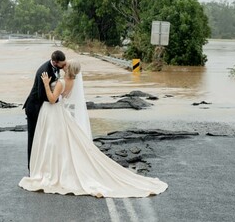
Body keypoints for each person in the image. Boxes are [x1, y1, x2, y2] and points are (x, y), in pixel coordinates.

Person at [19, 60, 168, 198]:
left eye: (66, 65)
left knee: (53, 142)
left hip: (55, 112)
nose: (63, 66)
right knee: (63, 143)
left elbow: (52, 99)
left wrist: (46, 83)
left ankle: (50, 170)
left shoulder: (62, 82)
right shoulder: (72, 81)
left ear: (68, 69)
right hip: (61, 113)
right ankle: (54, 168)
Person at [23, 50, 67, 170]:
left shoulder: (57, 67)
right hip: (34, 107)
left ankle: (42, 164)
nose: (64, 66)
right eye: (62, 64)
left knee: (43, 138)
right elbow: (41, 95)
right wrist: (57, 99)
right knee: (33, 138)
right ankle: (31, 167)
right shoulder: (44, 71)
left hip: (44, 107)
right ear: (55, 62)